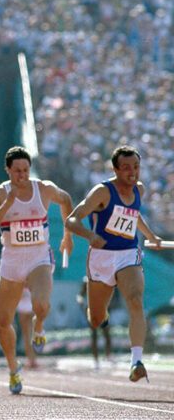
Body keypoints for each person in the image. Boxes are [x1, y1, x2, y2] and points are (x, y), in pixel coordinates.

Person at [0, 146, 74, 394]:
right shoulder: (0, 193)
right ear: (8, 170)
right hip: (11, 260)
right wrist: (6, 205)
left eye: (25, 170)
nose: (22, 175)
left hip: (38, 257)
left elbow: (66, 200)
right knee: (2, 323)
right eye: (17, 171)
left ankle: (39, 326)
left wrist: (67, 235)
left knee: (41, 304)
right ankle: (13, 370)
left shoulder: (43, 188)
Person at [65, 145, 162, 382]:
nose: (133, 172)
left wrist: (150, 236)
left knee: (135, 299)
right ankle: (99, 312)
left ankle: (136, 361)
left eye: (136, 167)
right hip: (101, 257)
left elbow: (133, 214)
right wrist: (90, 236)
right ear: (116, 169)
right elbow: (71, 220)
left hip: (128, 253)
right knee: (96, 319)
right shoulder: (102, 192)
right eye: (127, 168)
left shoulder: (139, 189)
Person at [76, 277, 111, 370]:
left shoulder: (104, 278)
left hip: (103, 309)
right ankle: (96, 360)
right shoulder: (86, 280)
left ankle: (108, 356)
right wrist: (81, 302)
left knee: (106, 333)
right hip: (91, 309)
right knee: (94, 335)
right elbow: (80, 295)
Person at [15, 287, 38, 369]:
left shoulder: (19, 279)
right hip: (31, 307)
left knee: (26, 336)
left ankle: (30, 359)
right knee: (32, 335)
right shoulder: (32, 278)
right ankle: (33, 359)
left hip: (23, 308)